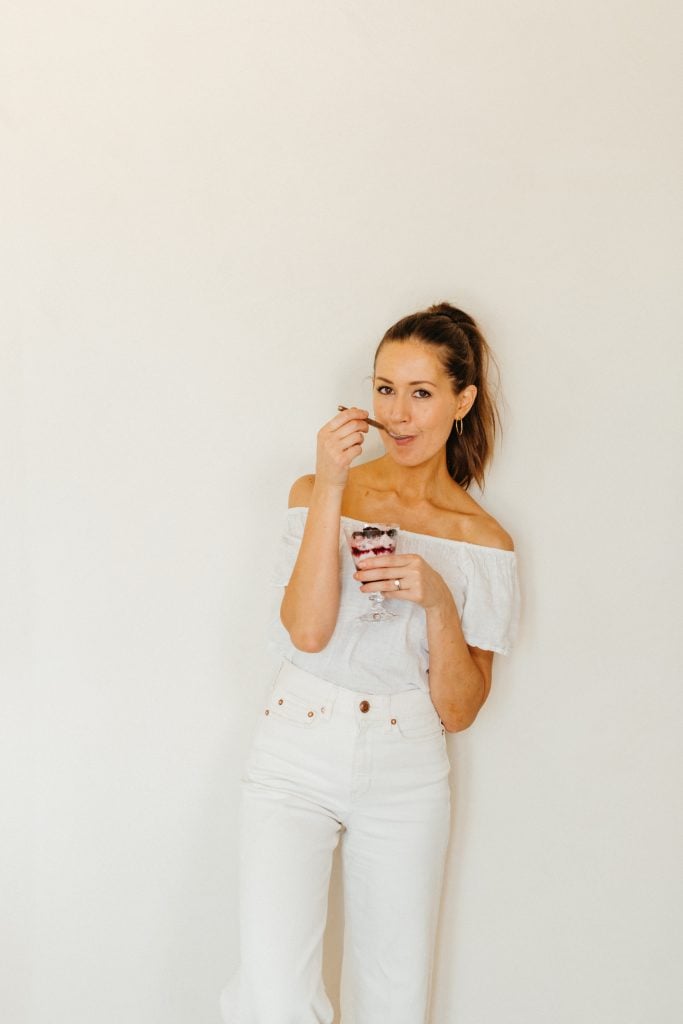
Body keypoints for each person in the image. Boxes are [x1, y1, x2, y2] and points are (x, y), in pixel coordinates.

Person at [219, 301, 521, 1024]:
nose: (399, 412)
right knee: (274, 1000)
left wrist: (440, 604)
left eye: (421, 392)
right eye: (385, 388)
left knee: (394, 998)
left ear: (462, 401)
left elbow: (458, 710)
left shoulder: (483, 542)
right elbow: (309, 631)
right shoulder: (319, 489)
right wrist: (330, 483)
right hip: (295, 746)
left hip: (405, 766)